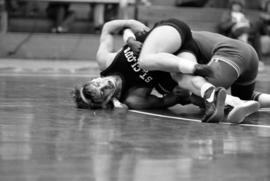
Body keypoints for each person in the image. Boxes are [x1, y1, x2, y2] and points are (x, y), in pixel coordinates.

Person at [72, 19, 260, 124]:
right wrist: (179, 97)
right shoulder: (134, 99)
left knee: (146, 61)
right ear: (108, 102)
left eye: (98, 83)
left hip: (170, 34)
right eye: (104, 91)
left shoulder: (106, 61)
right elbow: (167, 101)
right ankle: (234, 101)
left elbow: (107, 28)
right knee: (188, 87)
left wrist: (129, 24)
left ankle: (199, 72)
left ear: (94, 78)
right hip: (183, 53)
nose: (105, 84)